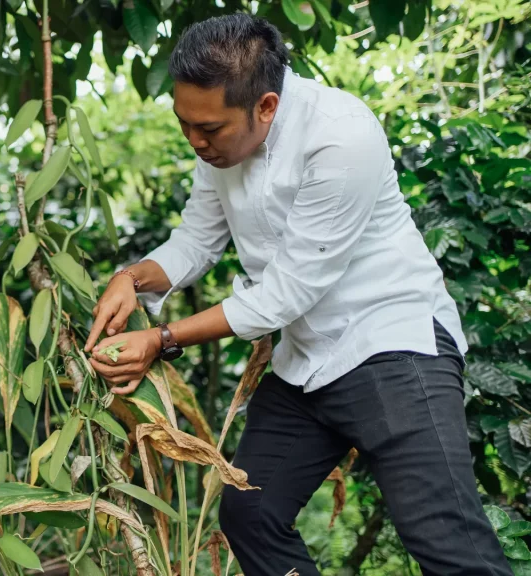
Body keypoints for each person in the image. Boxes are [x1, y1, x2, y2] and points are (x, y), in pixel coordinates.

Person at [84, 14, 511, 576]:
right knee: (250, 511)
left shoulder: (341, 135)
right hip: (307, 361)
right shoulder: (219, 146)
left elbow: (284, 294)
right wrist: (131, 278)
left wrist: (161, 339)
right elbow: (196, 237)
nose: (194, 140)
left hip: (392, 347)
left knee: (450, 547)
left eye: (208, 129)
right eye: (184, 123)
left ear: (266, 105)